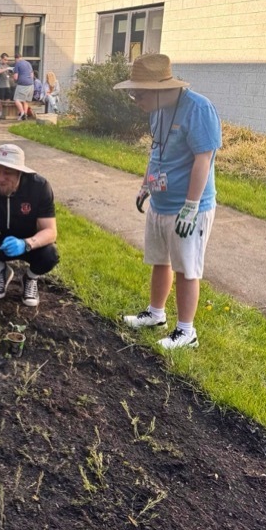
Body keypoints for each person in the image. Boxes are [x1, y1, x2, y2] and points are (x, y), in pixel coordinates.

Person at [114, 53, 222, 350]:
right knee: (159, 259)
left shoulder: (198, 109)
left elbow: (204, 160)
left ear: (160, 88)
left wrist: (190, 205)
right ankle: (156, 314)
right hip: (161, 204)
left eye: (139, 93)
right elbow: (157, 152)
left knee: (186, 268)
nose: (135, 99)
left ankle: (187, 332)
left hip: (188, 209)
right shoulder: (158, 110)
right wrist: (145, 185)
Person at [0, 144, 58, 307]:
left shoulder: (39, 187)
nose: (0, 178)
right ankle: (1, 271)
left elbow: (50, 231)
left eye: (8, 173)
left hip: (29, 241)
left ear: (20, 172)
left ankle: (30, 278)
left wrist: (26, 244)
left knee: (50, 255)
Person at [12, 53, 34, 121]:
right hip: (31, 84)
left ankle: (22, 113)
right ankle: (25, 115)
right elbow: (32, 75)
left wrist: (12, 77)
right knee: (26, 101)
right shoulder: (28, 63)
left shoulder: (17, 64)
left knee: (16, 100)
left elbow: (15, 77)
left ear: (16, 59)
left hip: (22, 84)